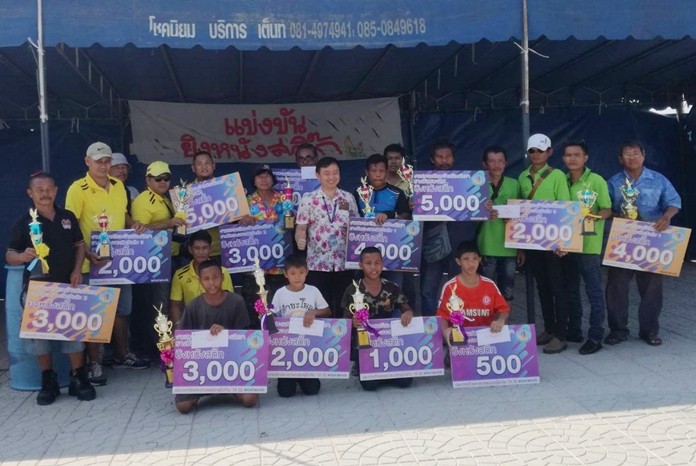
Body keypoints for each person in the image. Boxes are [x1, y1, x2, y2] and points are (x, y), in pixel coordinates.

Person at [6, 172, 95, 404]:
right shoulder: (24, 222)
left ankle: (78, 377)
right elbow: (9, 254)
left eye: (49, 189)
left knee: (74, 333)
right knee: (40, 338)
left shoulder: (68, 217)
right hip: (39, 291)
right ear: (30, 193)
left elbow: (79, 245)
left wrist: (78, 269)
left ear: (56, 190)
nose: (45, 194)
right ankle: (48, 379)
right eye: (40, 189)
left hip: (68, 285)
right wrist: (22, 256)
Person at [65, 142, 150, 385]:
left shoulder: (119, 186)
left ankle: (123, 355)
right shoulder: (77, 189)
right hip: (92, 262)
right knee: (94, 314)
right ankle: (95, 363)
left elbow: (122, 214)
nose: (103, 165)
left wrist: (133, 224)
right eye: (98, 161)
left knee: (122, 310)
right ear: (87, 162)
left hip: (119, 260)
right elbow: (71, 225)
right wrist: (88, 252)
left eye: (106, 161)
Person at [605, 141, 681, 347]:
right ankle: (618, 330)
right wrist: (617, 215)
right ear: (620, 159)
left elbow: (674, 202)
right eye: (627, 154)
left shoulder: (658, 179)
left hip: (652, 240)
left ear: (643, 156)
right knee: (616, 287)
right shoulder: (613, 182)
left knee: (652, 289)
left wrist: (666, 216)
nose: (632, 157)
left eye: (635, 153)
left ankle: (649, 331)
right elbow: (604, 209)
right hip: (623, 240)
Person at [175, 260, 257, 413]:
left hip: (231, 364)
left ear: (223, 278)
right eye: (206, 279)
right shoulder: (193, 306)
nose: (211, 282)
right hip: (202, 368)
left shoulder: (236, 301)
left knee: (250, 399)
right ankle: (203, 391)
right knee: (183, 406)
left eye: (215, 277)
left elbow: (245, 338)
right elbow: (183, 340)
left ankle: (230, 388)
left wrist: (226, 333)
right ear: (200, 281)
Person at [518, 133, 571, 354]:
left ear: (549, 152)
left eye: (540, 150)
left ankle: (561, 334)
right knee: (543, 287)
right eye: (532, 151)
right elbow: (519, 213)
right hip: (532, 243)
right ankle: (549, 328)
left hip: (554, 243)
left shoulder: (557, 175)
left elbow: (566, 208)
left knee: (559, 288)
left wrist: (563, 241)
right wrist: (520, 246)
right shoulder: (522, 177)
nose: (536, 155)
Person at [130, 161, 186, 360]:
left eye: (166, 178)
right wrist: (168, 223)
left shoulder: (164, 199)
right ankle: (158, 352)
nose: (163, 182)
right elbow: (139, 231)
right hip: (153, 263)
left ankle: (164, 346)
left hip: (169, 258)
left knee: (169, 304)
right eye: (158, 178)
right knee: (158, 306)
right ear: (148, 180)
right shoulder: (144, 201)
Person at [561, 141, 612, 355]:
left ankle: (595, 336)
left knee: (594, 293)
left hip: (589, 245)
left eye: (577, 155)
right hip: (566, 244)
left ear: (586, 158)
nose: (572, 159)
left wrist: (590, 219)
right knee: (570, 291)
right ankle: (574, 330)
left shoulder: (596, 181)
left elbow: (608, 209)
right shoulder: (560, 180)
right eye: (568, 155)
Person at [341, 247, 414, 391]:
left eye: (377, 263)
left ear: (382, 264)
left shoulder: (391, 287)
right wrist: (353, 322)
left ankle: (386, 370)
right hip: (365, 344)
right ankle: (363, 366)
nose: (373, 267)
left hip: (389, 342)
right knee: (370, 385)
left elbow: (406, 308)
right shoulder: (352, 289)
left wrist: (408, 314)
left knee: (405, 382)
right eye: (368, 263)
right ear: (361, 265)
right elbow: (344, 319)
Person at [295, 156, 358, 316]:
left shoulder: (348, 198)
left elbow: (356, 227)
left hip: (343, 262)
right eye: (327, 173)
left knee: (345, 304)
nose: (331, 177)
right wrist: (299, 238)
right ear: (318, 175)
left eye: (335, 173)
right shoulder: (308, 199)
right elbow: (301, 227)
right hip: (318, 262)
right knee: (322, 305)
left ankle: (345, 338)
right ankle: (324, 339)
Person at [419, 139, 476, 316]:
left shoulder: (468, 182)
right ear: (432, 159)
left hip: (459, 243)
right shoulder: (422, 182)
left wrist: (484, 205)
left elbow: (476, 210)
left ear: (453, 158)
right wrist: (413, 204)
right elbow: (412, 214)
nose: (444, 161)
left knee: (459, 288)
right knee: (428, 290)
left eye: (447, 157)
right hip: (432, 243)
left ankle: (457, 326)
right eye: (440, 157)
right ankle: (433, 329)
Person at [270, 254, 331, 397]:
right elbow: (272, 314)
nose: (297, 277)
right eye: (292, 273)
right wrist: (266, 315)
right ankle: (289, 377)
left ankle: (305, 376)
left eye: (301, 273)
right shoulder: (280, 293)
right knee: (285, 393)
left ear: (307, 272)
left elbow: (327, 311)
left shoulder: (313, 291)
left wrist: (314, 312)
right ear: (285, 274)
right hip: (288, 346)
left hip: (309, 345)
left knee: (312, 390)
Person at [239, 164, 288, 319]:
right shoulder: (246, 202)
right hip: (256, 265)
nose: (264, 179)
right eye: (259, 176)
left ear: (272, 179)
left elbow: (293, 223)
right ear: (253, 181)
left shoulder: (284, 199)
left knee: (279, 307)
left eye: (267, 176)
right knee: (257, 308)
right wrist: (241, 221)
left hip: (279, 263)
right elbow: (237, 231)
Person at [436, 241, 509, 341]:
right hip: (460, 341)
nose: (471, 263)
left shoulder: (490, 285)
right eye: (466, 259)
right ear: (458, 261)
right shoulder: (450, 287)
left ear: (480, 260)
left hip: (487, 341)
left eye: (475, 259)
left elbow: (504, 310)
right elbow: (442, 317)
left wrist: (501, 320)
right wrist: (446, 333)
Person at [477, 145, 522, 301]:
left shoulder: (514, 184)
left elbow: (522, 215)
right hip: (486, 245)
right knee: (484, 293)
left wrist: (521, 248)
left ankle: (504, 325)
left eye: (500, 161)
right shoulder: (476, 184)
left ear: (506, 162)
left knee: (507, 293)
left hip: (509, 247)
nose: (497, 165)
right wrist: (482, 211)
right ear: (484, 164)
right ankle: (484, 325)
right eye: (492, 161)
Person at [169, 230, 234, 326]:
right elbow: (175, 306)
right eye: (197, 248)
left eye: (205, 248)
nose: (201, 252)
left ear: (210, 249)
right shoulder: (180, 275)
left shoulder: (223, 272)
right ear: (190, 249)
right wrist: (179, 326)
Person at [190, 150, 221, 259]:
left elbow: (238, 216)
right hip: (198, 252)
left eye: (207, 163)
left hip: (223, 247)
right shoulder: (186, 193)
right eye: (199, 164)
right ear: (193, 168)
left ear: (213, 165)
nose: (204, 166)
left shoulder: (225, 188)